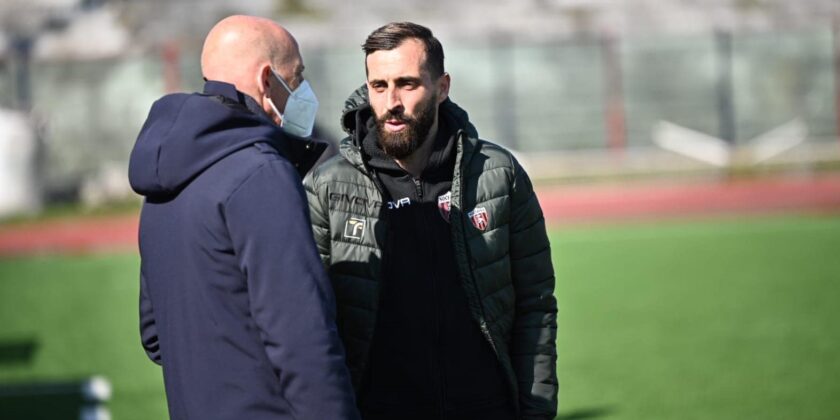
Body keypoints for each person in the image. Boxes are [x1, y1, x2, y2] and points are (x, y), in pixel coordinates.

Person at [304, 22, 558, 420]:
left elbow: (535, 304)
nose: (392, 101)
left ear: (442, 87)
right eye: (379, 85)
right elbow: (312, 319)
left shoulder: (498, 173)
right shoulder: (328, 186)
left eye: (407, 84)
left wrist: (535, 410)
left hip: (485, 408)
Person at [128, 15, 359, 420]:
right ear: (267, 80)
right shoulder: (261, 172)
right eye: (297, 76)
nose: (303, 89)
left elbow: (155, 336)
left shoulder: (163, 181)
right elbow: (302, 339)